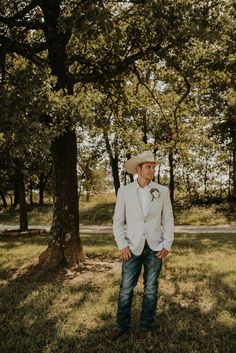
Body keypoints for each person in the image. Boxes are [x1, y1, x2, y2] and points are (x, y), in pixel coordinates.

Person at [112, 150, 174, 342]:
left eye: (153, 167)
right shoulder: (124, 191)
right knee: (125, 289)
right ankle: (121, 327)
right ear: (138, 169)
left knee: (151, 288)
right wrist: (122, 245)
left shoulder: (162, 191)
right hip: (132, 247)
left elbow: (169, 220)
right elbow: (117, 221)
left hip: (155, 248)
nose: (152, 170)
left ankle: (145, 328)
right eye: (148, 167)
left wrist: (167, 244)